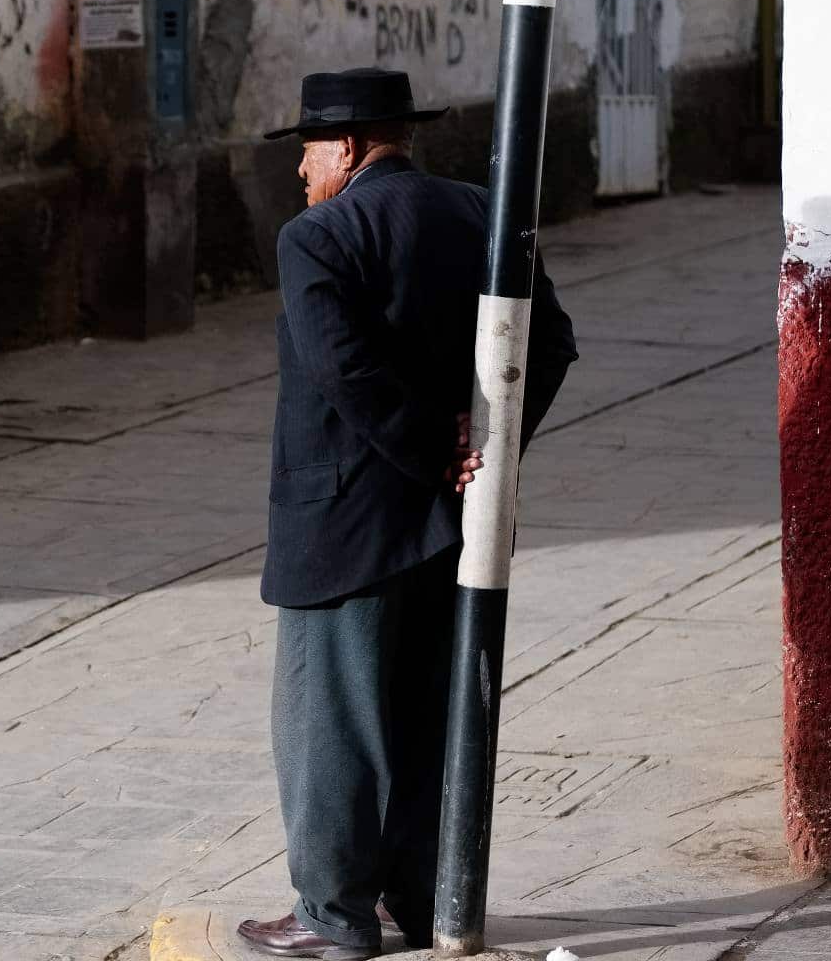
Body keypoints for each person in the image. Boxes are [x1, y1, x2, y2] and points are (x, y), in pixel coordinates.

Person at [237, 68, 577, 959]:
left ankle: (332, 915)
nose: (300, 172)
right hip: (449, 520)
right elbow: (555, 341)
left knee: (330, 724)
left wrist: (437, 445)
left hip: (345, 522)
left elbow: (342, 368)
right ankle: (414, 900)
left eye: (308, 152)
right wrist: (486, 448)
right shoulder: (478, 212)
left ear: (346, 148)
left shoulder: (318, 236)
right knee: (425, 716)